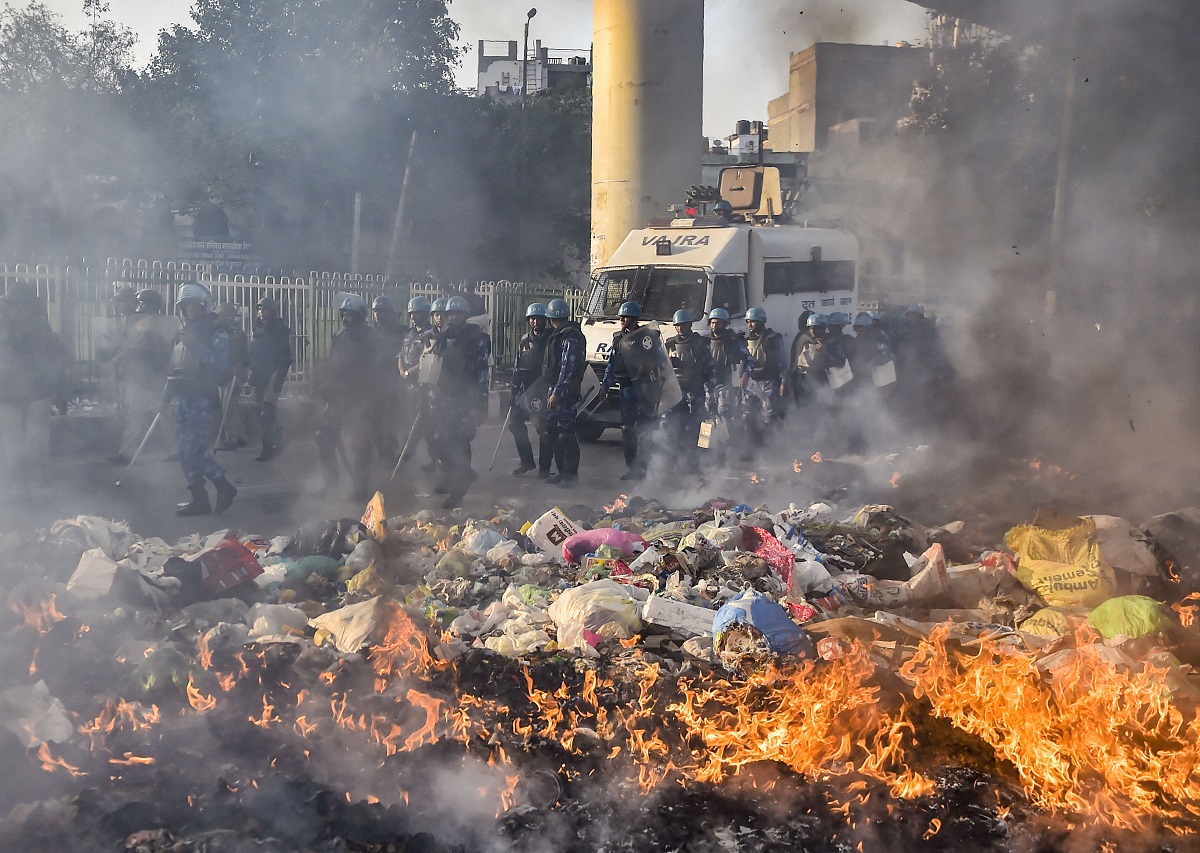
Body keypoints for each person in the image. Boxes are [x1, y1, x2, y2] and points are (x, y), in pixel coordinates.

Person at [164, 284, 237, 516]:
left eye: (194, 304)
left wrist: (196, 345)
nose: (190, 308)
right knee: (185, 451)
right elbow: (175, 367)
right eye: (186, 304)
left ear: (204, 305)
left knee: (194, 450)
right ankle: (199, 498)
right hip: (183, 398)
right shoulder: (184, 332)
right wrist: (165, 397)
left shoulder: (216, 331)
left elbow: (221, 366)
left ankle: (223, 485)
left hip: (202, 399)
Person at [424, 296, 490, 508]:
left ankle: (458, 491)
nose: (453, 317)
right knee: (439, 443)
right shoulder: (441, 337)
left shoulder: (476, 339)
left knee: (460, 444)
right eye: (450, 313)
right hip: (443, 399)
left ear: (465, 315)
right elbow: (431, 368)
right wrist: (425, 393)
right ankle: (451, 478)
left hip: (465, 399)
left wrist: (481, 405)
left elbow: (481, 374)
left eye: (458, 313)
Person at [0, 286, 67, 492]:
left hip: (38, 389)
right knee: (11, 438)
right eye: (15, 305)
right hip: (8, 389)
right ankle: (16, 481)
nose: (20, 310)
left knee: (37, 438)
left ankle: (39, 479)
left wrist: (57, 388)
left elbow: (55, 359)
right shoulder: (4, 328)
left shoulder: (41, 329)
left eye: (24, 305)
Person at [313, 295, 379, 501]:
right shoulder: (339, 336)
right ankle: (331, 483)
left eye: (350, 315)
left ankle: (360, 486)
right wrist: (327, 385)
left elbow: (375, 370)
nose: (346, 318)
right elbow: (335, 364)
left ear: (360, 317)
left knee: (359, 442)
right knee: (323, 435)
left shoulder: (370, 338)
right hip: (338, 395)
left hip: (361, 397)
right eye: (344, 314)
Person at [108, 288, 177, 464]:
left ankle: (172, 450)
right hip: (142, 375)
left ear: (152, 304)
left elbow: (161, 349)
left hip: (154, 375)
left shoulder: (160, 323)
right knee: (138, 414)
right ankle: (128, 452)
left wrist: (131, 352)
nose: (139, 305)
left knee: (159, 413)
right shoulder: (139, 321)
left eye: (142, 302)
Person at [600, 301, 667, 481]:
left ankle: (645, 467)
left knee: (644, 429)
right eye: (621, 316)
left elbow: (660, 361)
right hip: (627, 390)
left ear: (635, 318)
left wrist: (649, 369)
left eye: (626, 316)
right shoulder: (618, 340)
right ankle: (633, 468)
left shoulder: (647, 338)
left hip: (645, 389)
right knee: (628, 430)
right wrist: (605, 386)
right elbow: (612, 365)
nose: (622, 319)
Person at [542, 298, 587, 486]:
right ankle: (561, 471)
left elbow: (566, 368)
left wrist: (557, 393)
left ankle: (570, 475)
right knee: (552, 431)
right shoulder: (558, 334)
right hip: (555, 388)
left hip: (564, 391)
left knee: (566, 433)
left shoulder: (570, 336)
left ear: (551, 318)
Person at [663, 308, 716, 466]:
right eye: (677, 325)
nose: (680, 328)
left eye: (683, 325)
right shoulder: (670, 344)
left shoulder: (700, 344)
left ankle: (698, 458)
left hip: (696, 390)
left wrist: (711, 391)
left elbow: (710, 369)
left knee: (698, 425)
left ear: (689, 325)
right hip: (676, 391)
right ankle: (674, 458)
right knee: (672, 424)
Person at [246, 296, 292, 462]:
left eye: (264, 309)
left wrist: (279, 379)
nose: (260, 312)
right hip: (259, 372)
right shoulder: (258, 327)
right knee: (256, 408)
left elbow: (286, 357)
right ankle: (278, 432)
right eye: (259, 309)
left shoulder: (280, 329)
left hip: (273, 371)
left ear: (272, 311)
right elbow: (253, 348)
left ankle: (268, 447)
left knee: (267, 411)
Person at [509, 303, 552, 477]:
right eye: (532, 319)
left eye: (539, 318)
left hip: (542, 389)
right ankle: (526, 461)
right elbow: (517, 367)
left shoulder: (552, 339)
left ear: (545, 320)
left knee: (543, 429)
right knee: (514, 423)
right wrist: (513, 391)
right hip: (525, 389)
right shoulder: (524, 341)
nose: (535, 322)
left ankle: (545, 468)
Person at [707, 307, 754, 450]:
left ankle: (731, 449)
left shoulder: (733, 340)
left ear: (725, 324)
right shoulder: (704, 341)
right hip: (708, 384)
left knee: (725, 413)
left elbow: (750, 360)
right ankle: (706, 449)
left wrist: (746, 375)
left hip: (725, 383)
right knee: (707, 417)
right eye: (713, 323)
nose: (715, 326)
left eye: (719, 323)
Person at [397, 296, 435, 469]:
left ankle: (408, 456)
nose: (413, 317)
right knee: (411, 421)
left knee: (422, 424)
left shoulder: (429, 334)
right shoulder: (410, 334)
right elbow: (400, 355)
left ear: (425, 314)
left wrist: (408, 372)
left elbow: (426, 359)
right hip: (407, 386)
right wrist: (401, 370)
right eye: (411, 313)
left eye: (417, 313)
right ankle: (409, 455)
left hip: (421, 386)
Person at [741, 306, 787, 445]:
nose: (750, 325)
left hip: (768, 382)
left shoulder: (772, 338)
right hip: (751, 382)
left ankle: (771, 448)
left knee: (769, 418)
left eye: (753, 321)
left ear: (762, 321)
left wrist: (784, 381)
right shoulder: (746, 339)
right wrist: (743, 377)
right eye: (748, 321)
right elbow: (744, 361)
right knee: (747, 416)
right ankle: (754, 446)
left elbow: (782, 361)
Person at [370, 295, 408, 463]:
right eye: (376, 311)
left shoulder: (400, 331)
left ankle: (390, 453)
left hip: (393, 381)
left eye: (381, 311)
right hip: (375, 382)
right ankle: (382, 452)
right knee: (375, 421)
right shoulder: (371, 331)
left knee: (391, 420)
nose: (378, 314)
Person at [214, 303, 249, 450]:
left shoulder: (235, 333)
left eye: (220, 314)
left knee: (228, 406)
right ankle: (240, 436)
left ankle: (232, 439)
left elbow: (236, 356)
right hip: (227, 373)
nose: (218, 317)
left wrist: (236, 369)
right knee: (230, 405)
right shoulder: (226, 331)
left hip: (233, 373)